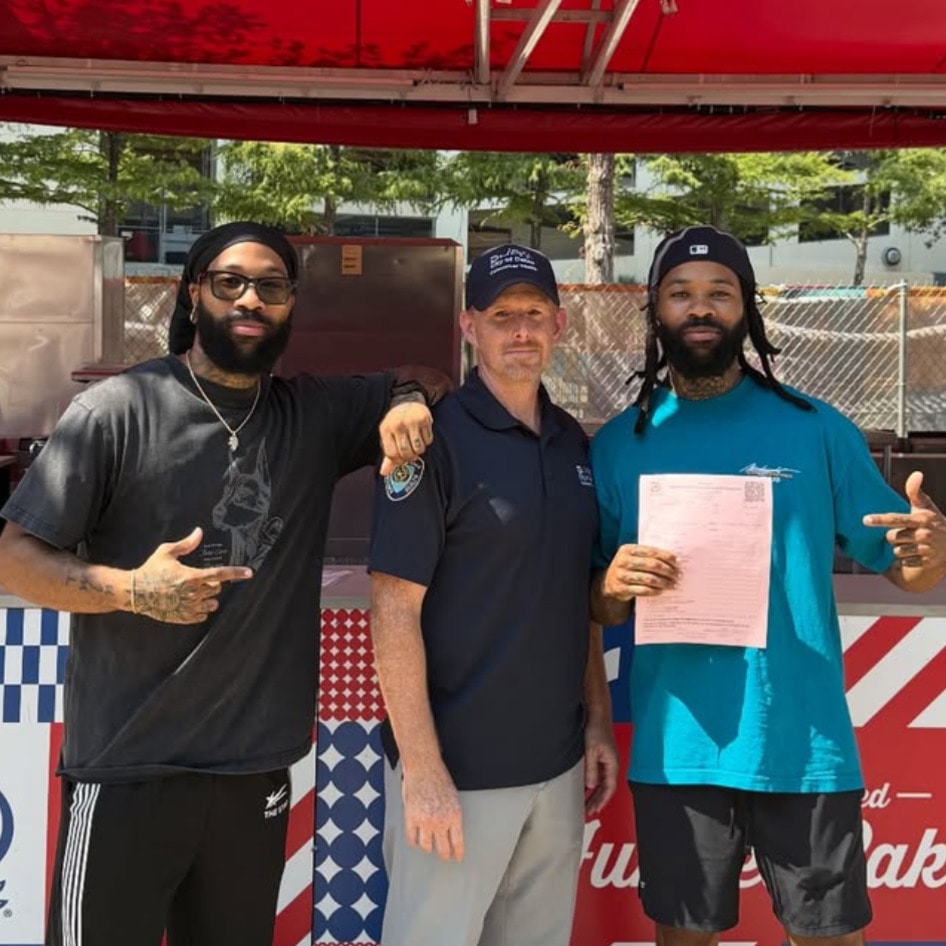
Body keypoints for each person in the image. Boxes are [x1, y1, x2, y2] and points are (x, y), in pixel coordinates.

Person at [0, 221, 449, 946]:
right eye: (230, 281)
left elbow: (433, 374)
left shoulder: (313, 416)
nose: (251, 299)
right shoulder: (118, 412)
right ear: (194, 292)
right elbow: (13, 556)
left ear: (292, 305)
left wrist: (406, 400)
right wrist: (129, 590)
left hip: (253, 773)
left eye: (271, 286)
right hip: (126, 767)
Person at [589, 225, 946, 946]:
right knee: (685, 939)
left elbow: (909, 570)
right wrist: (614, 582)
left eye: (720, 293)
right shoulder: (619, 444)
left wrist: (934, 548)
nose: (700, 309)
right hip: (679, 746)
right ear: (655, 311)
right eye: (681, 294)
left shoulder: (817, 430)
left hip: (804, 743)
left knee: (829, 938)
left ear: (747, 310)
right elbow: (592, 604)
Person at [368, 243, 619, 946]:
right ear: (468, 326)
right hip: (458, 778)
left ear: (560, 325)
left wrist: (596, 718)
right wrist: (422, 772)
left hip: (557, 770)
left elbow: (575, 597)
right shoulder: (429, 443)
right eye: (502, 314)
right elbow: (391, 609)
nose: (520, 331)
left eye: (534, 313)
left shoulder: (572, 443)